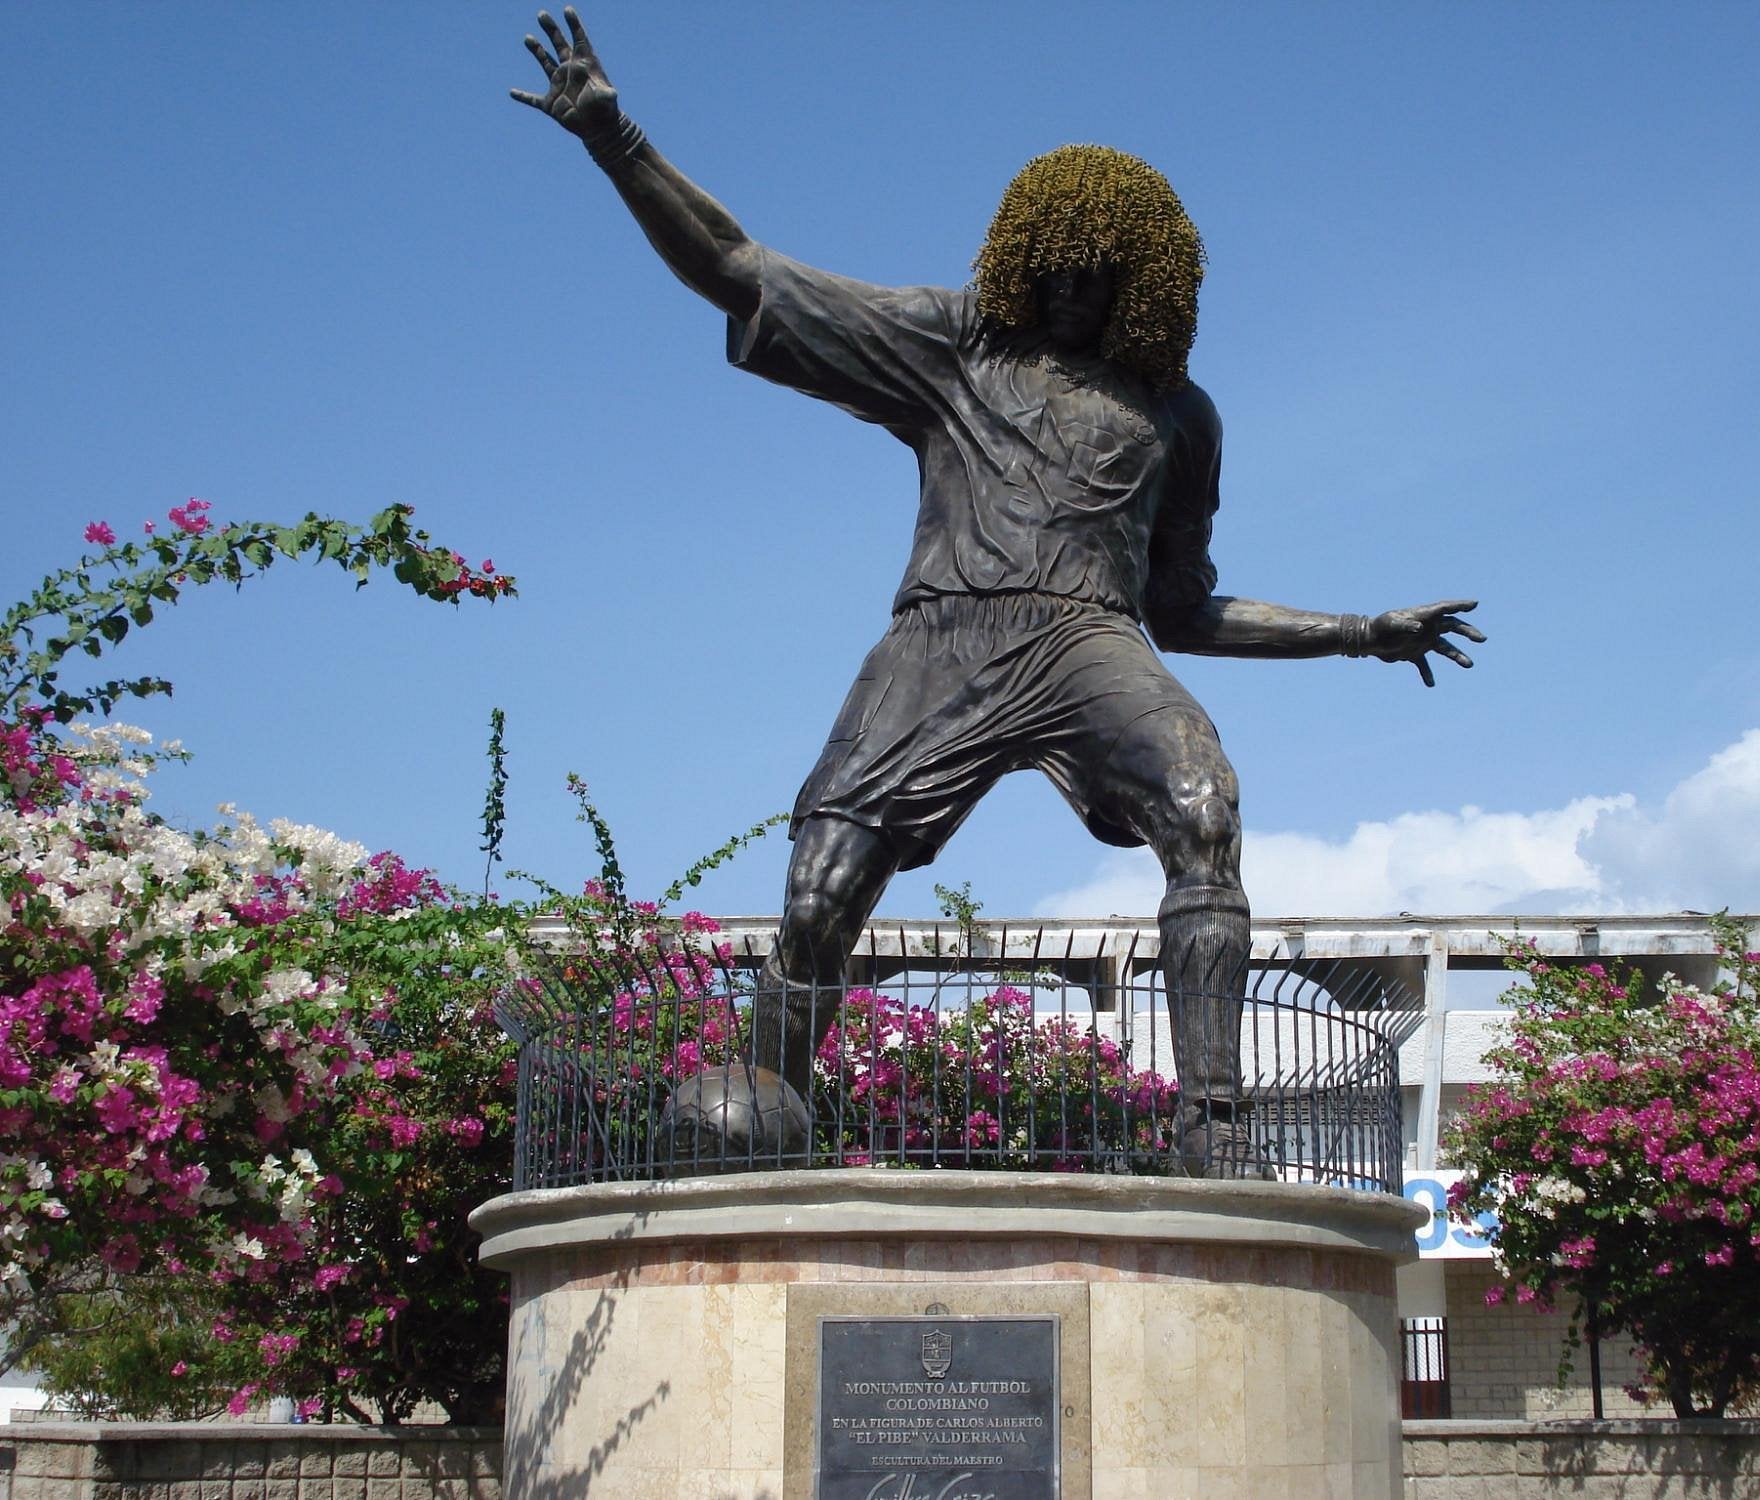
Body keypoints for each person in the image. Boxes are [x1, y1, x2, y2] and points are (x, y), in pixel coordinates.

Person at [513, 9, 1484, 1177]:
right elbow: (738, 269)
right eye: (1057, 263)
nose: (1074, 286)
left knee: (1202, 805)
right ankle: (766, 1104)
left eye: (1101, 270)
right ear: (1025, 252)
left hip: (1089, 640)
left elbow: (1179, 608)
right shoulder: (952, 343)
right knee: (821, 887)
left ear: (1142, 279)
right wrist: (616, 141)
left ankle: (1211, 1122)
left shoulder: (1180, 416)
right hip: (945, 635)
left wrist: (1355, 632)